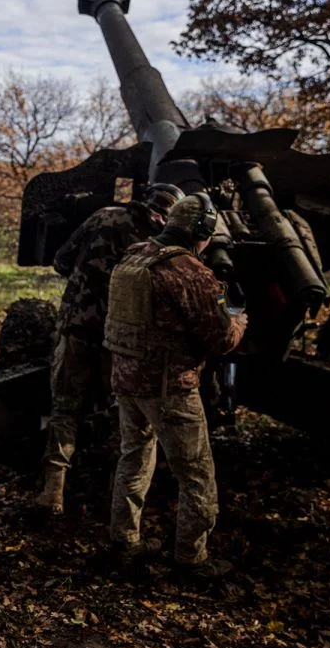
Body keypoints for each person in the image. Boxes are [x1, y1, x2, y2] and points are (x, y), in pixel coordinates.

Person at [103, 193, 247, 578]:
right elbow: (220, 341)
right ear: (201, 232)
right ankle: (191, 559)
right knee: (197, 474)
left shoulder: (134, 255)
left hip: (126, 378)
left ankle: (124, 540)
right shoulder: (189, 272)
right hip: (169, 387)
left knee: (133, 458)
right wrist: (239, 320)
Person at [32, 184, 180, 515]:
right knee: (123, 413)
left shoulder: (103, 216)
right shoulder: (162, 242)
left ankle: (52, 491)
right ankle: (115, 496)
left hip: (77, 328)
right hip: (120, 339)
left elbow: (61, 261)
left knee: (66, 409)